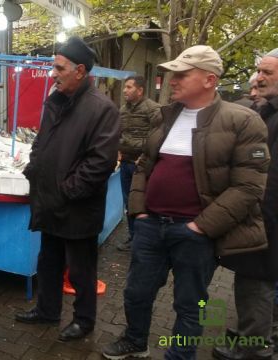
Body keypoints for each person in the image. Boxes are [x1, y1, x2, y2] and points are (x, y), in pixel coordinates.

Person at [102, 45, 269, 360]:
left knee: (192, 304)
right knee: (136, 292)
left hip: (194, 233)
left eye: (181, 74)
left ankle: (180, 355)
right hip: (151, 226)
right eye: (171, 74)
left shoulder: (242, 121)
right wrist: (138, 212)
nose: (171, 80)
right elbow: (144, 166)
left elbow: (248, 187)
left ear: (209, 79)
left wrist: (200, 227)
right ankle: (136, 341)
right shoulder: (166, 115)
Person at [15, 36, 120, 342]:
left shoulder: (103, 109)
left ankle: (84, 320)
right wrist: (34, 170)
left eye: (59, 67)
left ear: (80, 70)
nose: (54, 73)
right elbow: (40, 142)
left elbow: (101, 163)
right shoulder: (55, 101)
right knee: (47, 262)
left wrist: (66, 191)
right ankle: (47, 311)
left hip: (77, 207)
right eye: (53, 67)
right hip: (50, 202)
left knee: (80, 270)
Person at [213, 48, 278, 360]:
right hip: (258, 216)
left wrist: (259, 217)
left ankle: (253, 349)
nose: (259, 77)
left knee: (258, 284)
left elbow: (271, 176)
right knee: (250, 283)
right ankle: (248, 336)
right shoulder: (266, 111)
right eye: (259, 71)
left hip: (267, 220)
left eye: (267, 72)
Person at [116, 75, 161, 251]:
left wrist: (143, 155)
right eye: (125, 87)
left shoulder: (153, 109)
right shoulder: (123, 110)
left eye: (129, 87)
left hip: (142, 166)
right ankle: (133, 236)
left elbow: (157, 137)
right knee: (129, 203)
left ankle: (144, 239)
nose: (124, 90)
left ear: (140, 90)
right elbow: (120, 133)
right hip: (126, 163)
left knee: (142, 203)